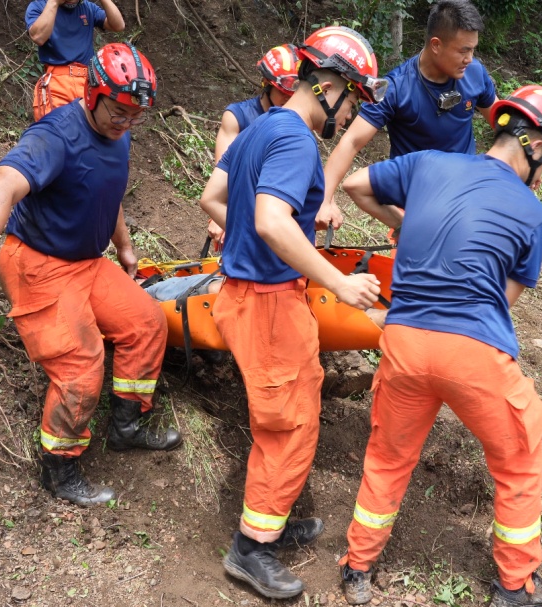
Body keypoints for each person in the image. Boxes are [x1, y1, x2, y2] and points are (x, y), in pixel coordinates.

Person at [336, 85, 542, 607]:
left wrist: (411, 223)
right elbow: (502, 300)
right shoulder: (533, 215)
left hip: (402, 342)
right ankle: (513, 588)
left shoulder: (428, 164)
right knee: (517, 456)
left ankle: (358, 568)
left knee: (388, 455)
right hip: (472, 352)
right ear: (534, 146)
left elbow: (356, 183)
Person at [198, 25, 387, 600]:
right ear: (327, 86)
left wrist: (292, 229)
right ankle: (251, 548)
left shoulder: (263, 127)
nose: (351, 113)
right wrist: (338, 281)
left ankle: (271, 521)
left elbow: (216, 199)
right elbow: (269, 221)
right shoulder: (297, 140)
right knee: (290, 421)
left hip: (248, 290)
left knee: (300, 396)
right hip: (267, 301)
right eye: (352, 98)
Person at [0, 43, 182, 508]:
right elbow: (1, 188)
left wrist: (123, 244)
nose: (125, 123)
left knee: (147, 322)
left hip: (87, 260)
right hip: (39, 262)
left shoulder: (120, 132)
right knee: (81, 365)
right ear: (92, 93)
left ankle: (126, 425)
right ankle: (59, 467)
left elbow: (108, 191)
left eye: (136, 115)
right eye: (118, 111)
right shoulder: (55, 136)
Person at [317, 0, 496, 231]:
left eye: (473, 50)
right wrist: (324, 199)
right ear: (436, 45)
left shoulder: (474, 73)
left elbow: (500, 121)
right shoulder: (397, 88)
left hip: (464, 197)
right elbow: (351, 142)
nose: (469, 59)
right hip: (416, 201)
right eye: (464, 50)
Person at [207, 43, 301, 249]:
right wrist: (220, 216)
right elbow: (225, 175)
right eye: (283, 92)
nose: (290, 100)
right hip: (243, 212)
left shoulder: (298, 124)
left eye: (296, 94)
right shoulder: (238, 117)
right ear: (267, 85)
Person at [26, 0, 124, 121]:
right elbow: (38, 37)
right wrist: (54, 3)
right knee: (57, 132)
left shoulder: (87, 8)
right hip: (57, 82)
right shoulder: (40, 6)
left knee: (90, 134)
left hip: (88, 82)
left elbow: (118, 25)